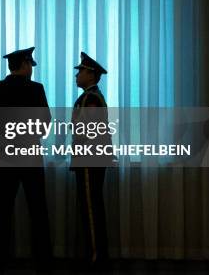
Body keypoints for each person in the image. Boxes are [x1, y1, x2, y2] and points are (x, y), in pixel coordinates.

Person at [0, 47, 52, 272]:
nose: (31, 69)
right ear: (24, 64)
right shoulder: (36, 89)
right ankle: (43, 262)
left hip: (6, 156)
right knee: (38, 210)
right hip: (31, 156)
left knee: (2, 209)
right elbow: (45, 125)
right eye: (30, 65)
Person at [71, 52, 114, 270]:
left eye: (80, 71)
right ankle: (95, 255)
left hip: (89, 159)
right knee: (91, 206)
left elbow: (89, 131)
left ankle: (96, 259)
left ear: (91, 73)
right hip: (90, 158)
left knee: (91, 208)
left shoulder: (91, 98)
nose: (77, 75)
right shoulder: (90, 97)